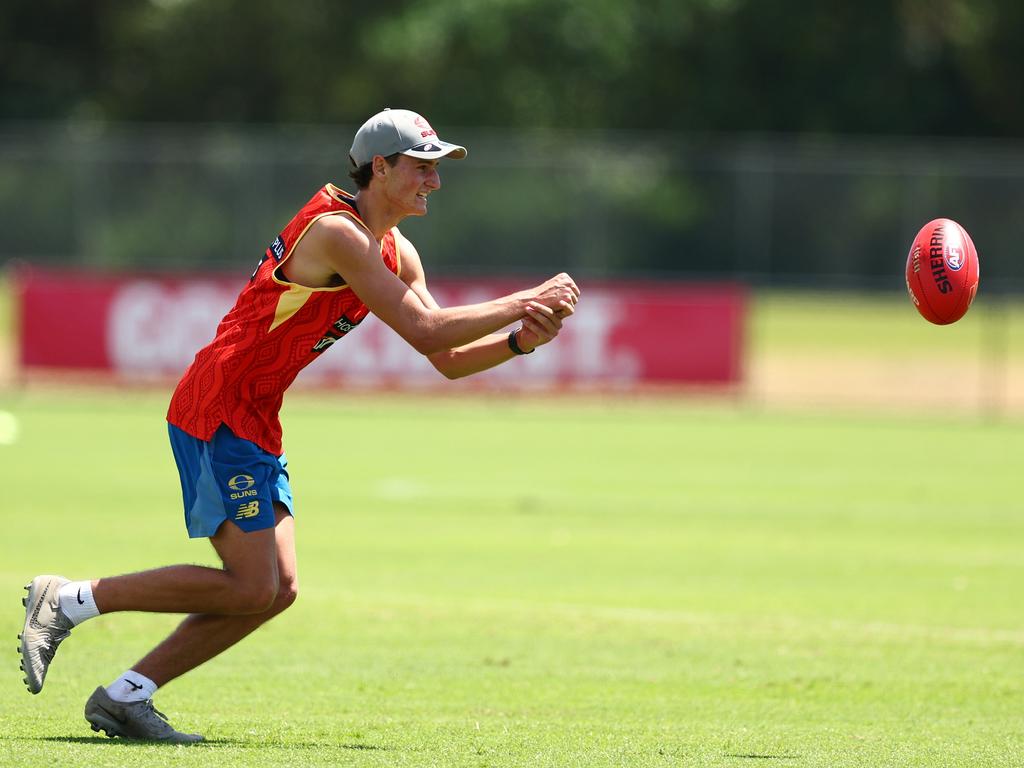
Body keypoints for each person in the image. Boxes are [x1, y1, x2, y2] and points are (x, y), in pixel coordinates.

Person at [19, 108, 580, 743]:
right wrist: (526, 297)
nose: (434, 181)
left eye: (436, 169)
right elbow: (427, 329)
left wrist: (519, 342)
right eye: (422, 167)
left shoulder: (398, 251)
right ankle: (68, 600)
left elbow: (444, 358)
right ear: (381, 167)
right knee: (253, 583)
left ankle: (126, 697)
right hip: (218, 405)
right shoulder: (337, 231)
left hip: (256, 414)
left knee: (276, 590)